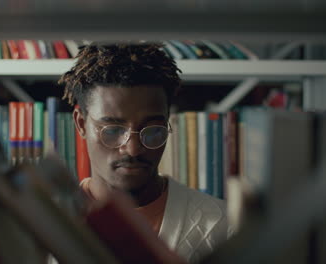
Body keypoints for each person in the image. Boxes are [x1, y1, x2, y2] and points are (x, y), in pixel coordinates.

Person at [59, 42, 234, 263]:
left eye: (152, 130)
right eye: (112, 130)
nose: (133, 149)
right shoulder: (44, 225)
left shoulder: (224, 227)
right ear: (81, 124)